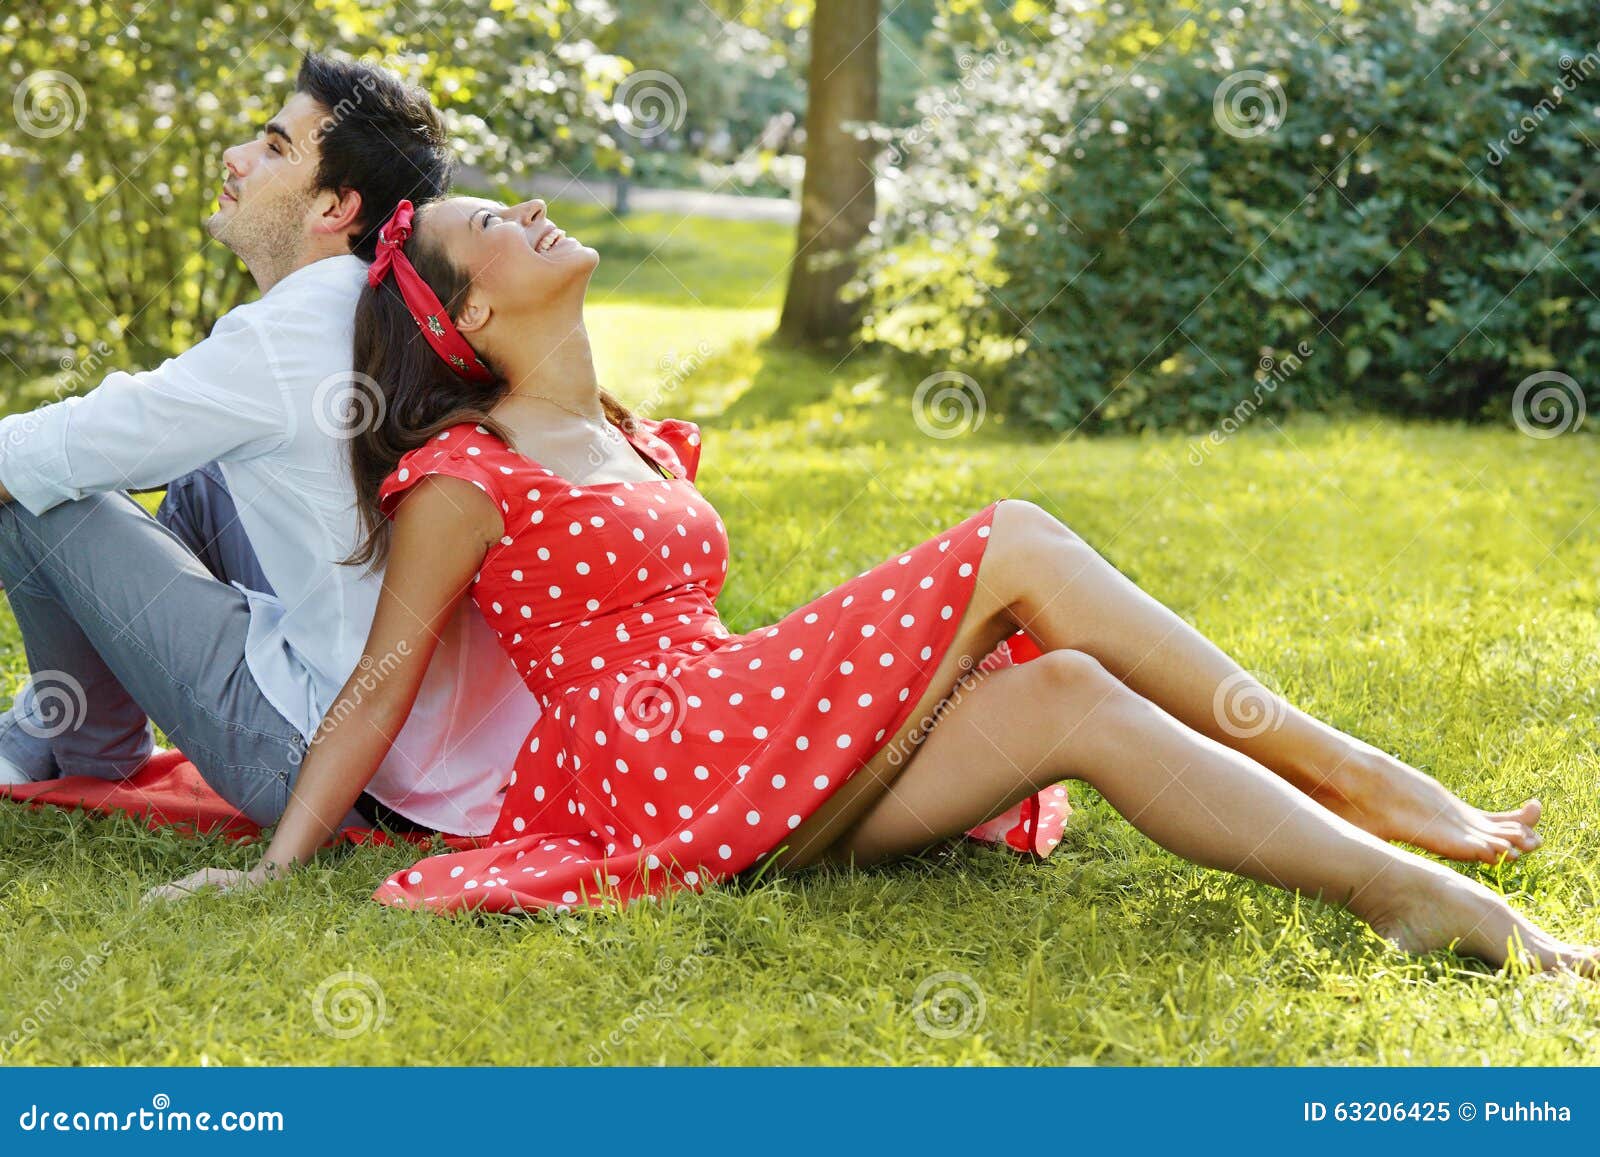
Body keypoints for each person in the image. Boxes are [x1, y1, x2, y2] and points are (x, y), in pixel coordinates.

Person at [150, 194, 1596, 979]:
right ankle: (1368, 782)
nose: (527, 209)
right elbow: (385, 676)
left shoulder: (626, 436)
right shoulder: (466, 472)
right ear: (466, 316)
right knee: (1016, 536)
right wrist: (276, 860)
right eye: (491, 227)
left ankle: (1392, 890)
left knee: (1069, 692)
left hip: (721, 730)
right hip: (654, 759)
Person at [0, 55, 531, 839]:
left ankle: (85, 744)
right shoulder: (386, 307)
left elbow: (51, 451)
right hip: (442, 748)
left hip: (332, 766)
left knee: (42, 504)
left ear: (334, 207)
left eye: (276, 148)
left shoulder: (287, 336)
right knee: (202, 483)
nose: (238, 157)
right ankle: (43, 729)